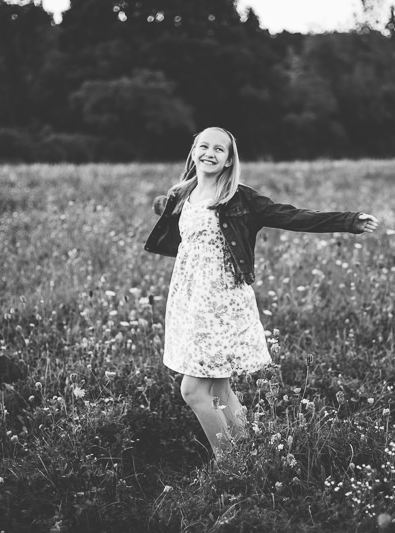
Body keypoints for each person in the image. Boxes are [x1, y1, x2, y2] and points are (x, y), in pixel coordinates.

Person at [144, 127, 378, 456]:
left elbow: (291, 215)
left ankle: (227, 463)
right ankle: (254, 455)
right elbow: (168, 214)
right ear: (194, 151)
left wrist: (348, 221)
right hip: (189, 303)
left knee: (193, 390)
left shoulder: (240, 199)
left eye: (219, 150)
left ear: (228, 160)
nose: (210, 153)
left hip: (223, 305)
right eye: (204, 146)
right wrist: (161, 205)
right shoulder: (182, 194)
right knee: (220, 390)